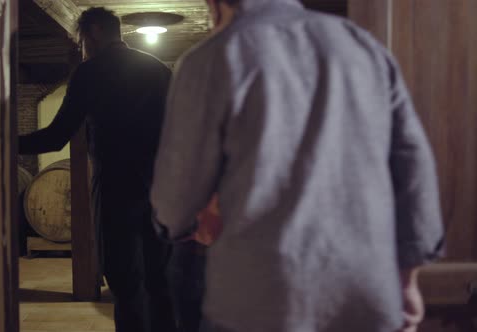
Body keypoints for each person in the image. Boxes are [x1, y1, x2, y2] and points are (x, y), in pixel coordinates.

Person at [150, 0, 444, 332]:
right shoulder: (362, 46)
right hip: (365, 294)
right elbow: (414, 170)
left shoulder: (212, 57)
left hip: (257, 299)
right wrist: (407, 281)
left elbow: (176, 197)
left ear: (215, 5)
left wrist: (178, 226)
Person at [18, 7, 176, 332]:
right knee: (161, 284)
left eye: (82, 40)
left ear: (93, 32)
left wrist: (8, 142)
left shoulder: (91, 72)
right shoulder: (159, 69)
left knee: (125, 283)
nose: (83, 48)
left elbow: (55, 137)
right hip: (163, 188)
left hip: (116, 188)